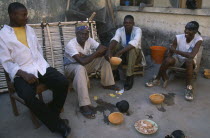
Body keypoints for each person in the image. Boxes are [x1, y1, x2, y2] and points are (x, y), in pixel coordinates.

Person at [0, 2, 71, 138]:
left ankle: (52, 113)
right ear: (12, 15)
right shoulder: (3, 35)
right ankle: (56, 124)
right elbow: (6, 62)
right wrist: (23, 74)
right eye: (24, 15)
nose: (27, 18)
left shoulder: (29, 29)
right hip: (20, 72)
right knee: (27, 95)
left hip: (39, 66)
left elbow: (38, 50)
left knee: (62, 82)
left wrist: (44, 67)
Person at [64, 23, 119, 119]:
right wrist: (97, 53)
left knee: (103, 60)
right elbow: (82, 61)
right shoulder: (71, 44)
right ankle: (84, 105)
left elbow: (103, 49)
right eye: (81, 33)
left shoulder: (89, 40)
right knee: (80, 68)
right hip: (70, 67)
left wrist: (99, 53)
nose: (84, 36)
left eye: (86, 34)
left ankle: (108, 83)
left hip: (83, 63)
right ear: (76, 33)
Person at [145, 21, 203, 101]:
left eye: (189, 30)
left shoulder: (198, 39)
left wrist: (176, 51)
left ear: (195, 31)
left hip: (188, 62)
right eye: (186, 29)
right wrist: (166, 61)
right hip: (178, 59)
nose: (186, 31)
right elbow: (171, 53)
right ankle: (157, 79)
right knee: (167, 59)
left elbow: (191, 55)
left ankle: (188, 87)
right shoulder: (178, 37)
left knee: (189, 61)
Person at [105, 15, 145, 90]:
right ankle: (115, 71)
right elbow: (115, 39)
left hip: (136, 57)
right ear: (123, 23)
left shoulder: (138, 30)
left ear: (133, 23)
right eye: (126, 23)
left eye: (130, 23)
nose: (128, 24)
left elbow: (134, 43)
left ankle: (129, 76)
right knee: (114, 45)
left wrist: (119, 53)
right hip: (124, 56)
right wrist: (109, 50)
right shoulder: (120, 30)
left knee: (132, 49)